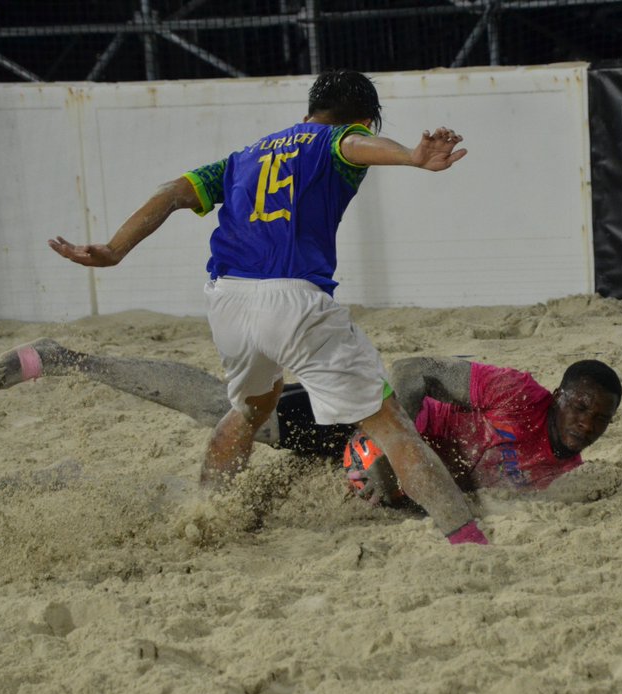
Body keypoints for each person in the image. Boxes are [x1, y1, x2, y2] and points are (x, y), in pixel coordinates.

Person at [45, 69, 488, 544]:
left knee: (249, 412)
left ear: (305, 114)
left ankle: (205, 519)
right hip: (295, 302)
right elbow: (353, 145)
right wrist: (410, 157)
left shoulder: (244, 157)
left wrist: (113, 250)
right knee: (392, 427)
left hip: (228, 302)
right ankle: (468, 539)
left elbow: (171, 193)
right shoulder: (338, 139)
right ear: (366, 120)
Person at [0, 340, 622, 508]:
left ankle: (60, 488)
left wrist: (395, 480)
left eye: (600, 418)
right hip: (369, 419)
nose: (586, 422)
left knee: (236, 509)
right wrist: (392, 440)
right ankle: (67, 359)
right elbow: (415, 367)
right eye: (579, 404)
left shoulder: (562, 474)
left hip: (377, 474)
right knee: (227, 410)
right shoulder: (514, 391)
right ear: (558, 393)